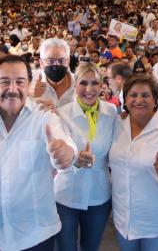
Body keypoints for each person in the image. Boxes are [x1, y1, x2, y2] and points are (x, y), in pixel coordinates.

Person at [0, 55, 77, 251]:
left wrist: (66, 153)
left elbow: (65, 146)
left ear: (28, 85)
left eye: (20, 82)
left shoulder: (44, 116)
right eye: (5, 82)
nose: (12, 89)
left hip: (36, 234)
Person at [109, 74, 158, 251]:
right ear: (125, 99)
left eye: (145, 95)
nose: (139, 100)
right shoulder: (118, 124)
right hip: (125, 222)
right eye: (133, 95)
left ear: (155, 100)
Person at [55, 63, 118, 251]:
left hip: (99, 194)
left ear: (101, 86)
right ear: (75, 85)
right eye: (83, 83)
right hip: (66, 193)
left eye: (94, 83)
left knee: (91, 247)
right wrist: (74, 159)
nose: (89, 89)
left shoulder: (111, 112)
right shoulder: (61, 113)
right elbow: (54, 153)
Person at [33, 38, 75, 107]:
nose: (56, 64)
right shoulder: (31, 84)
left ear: (68, 61)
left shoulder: (80, 83)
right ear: (41, 63)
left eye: (61, 60)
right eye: (50, 61)